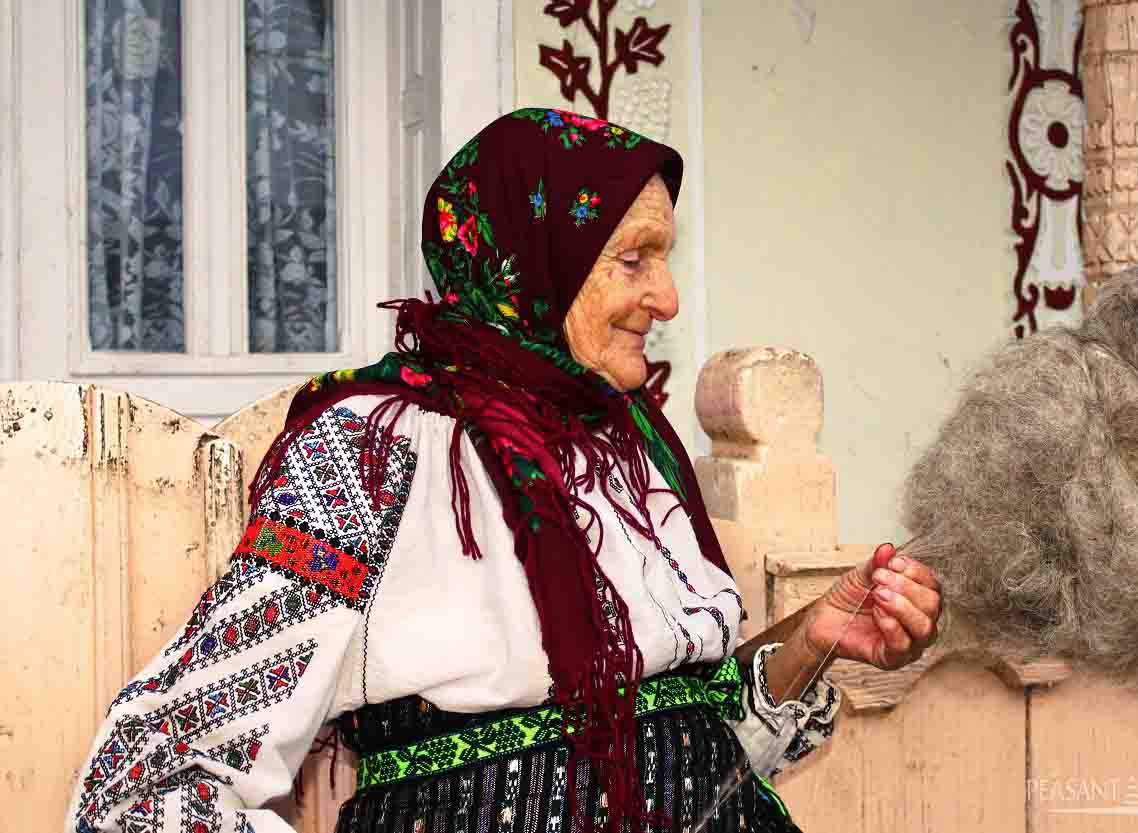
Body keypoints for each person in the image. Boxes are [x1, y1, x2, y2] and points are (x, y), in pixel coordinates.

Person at [65, 108, 942, 833]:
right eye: (633, 259)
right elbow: (148, 783)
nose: (668, 298)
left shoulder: (630, 444)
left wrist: (813, 641)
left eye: (665, 258)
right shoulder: (374, 452)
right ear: (532, 263)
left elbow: (686, 749)